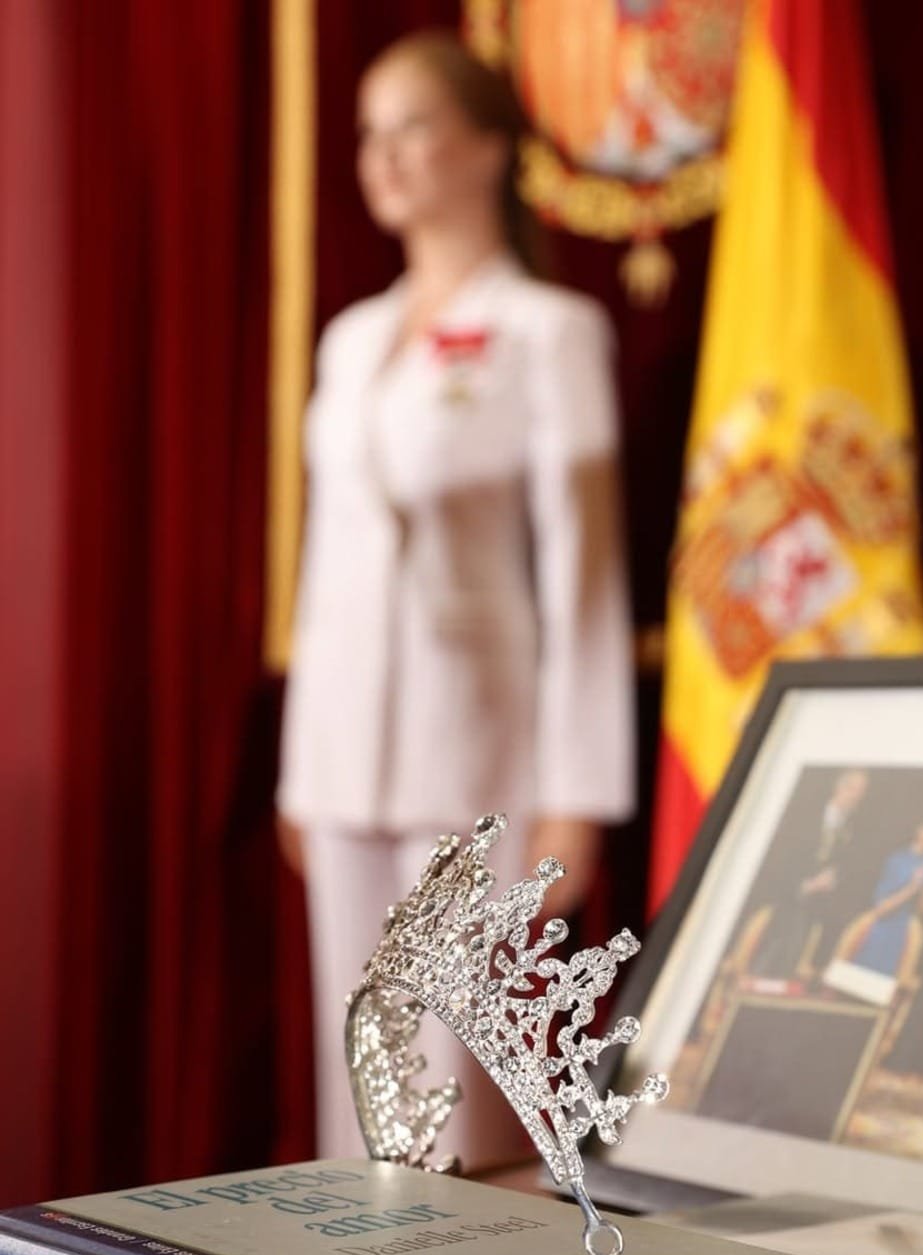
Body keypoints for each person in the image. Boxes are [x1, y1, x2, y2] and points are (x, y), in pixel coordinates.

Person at [276, 32, 634, 1171]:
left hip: (473, 755)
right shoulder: (354, 337)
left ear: (489, 148)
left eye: (413, 125)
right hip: (346, 752)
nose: (383, 156)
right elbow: (325, 568)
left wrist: (577, 792)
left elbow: (584, 575)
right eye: (368, 132)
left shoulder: (549, 333)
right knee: (359, 1066)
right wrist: (300, 761)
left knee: (447, 1092)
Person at [751, 768, 869, 980]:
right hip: (786, 904)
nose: (857, 796)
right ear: (839, 787)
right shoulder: (804, 817)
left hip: (820, 911)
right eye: (853, 789)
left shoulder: (852, 829)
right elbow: (778, 864)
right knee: (775, 961)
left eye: (862, 792)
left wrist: (834, 878)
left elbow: (845, 868)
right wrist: (806, 886)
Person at [850, 808, 923, 977]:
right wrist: (912, 888)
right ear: (921, 829)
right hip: (882, 930)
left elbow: (921, 912)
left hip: (904, 935)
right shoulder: (897, 860)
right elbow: (881, 910)